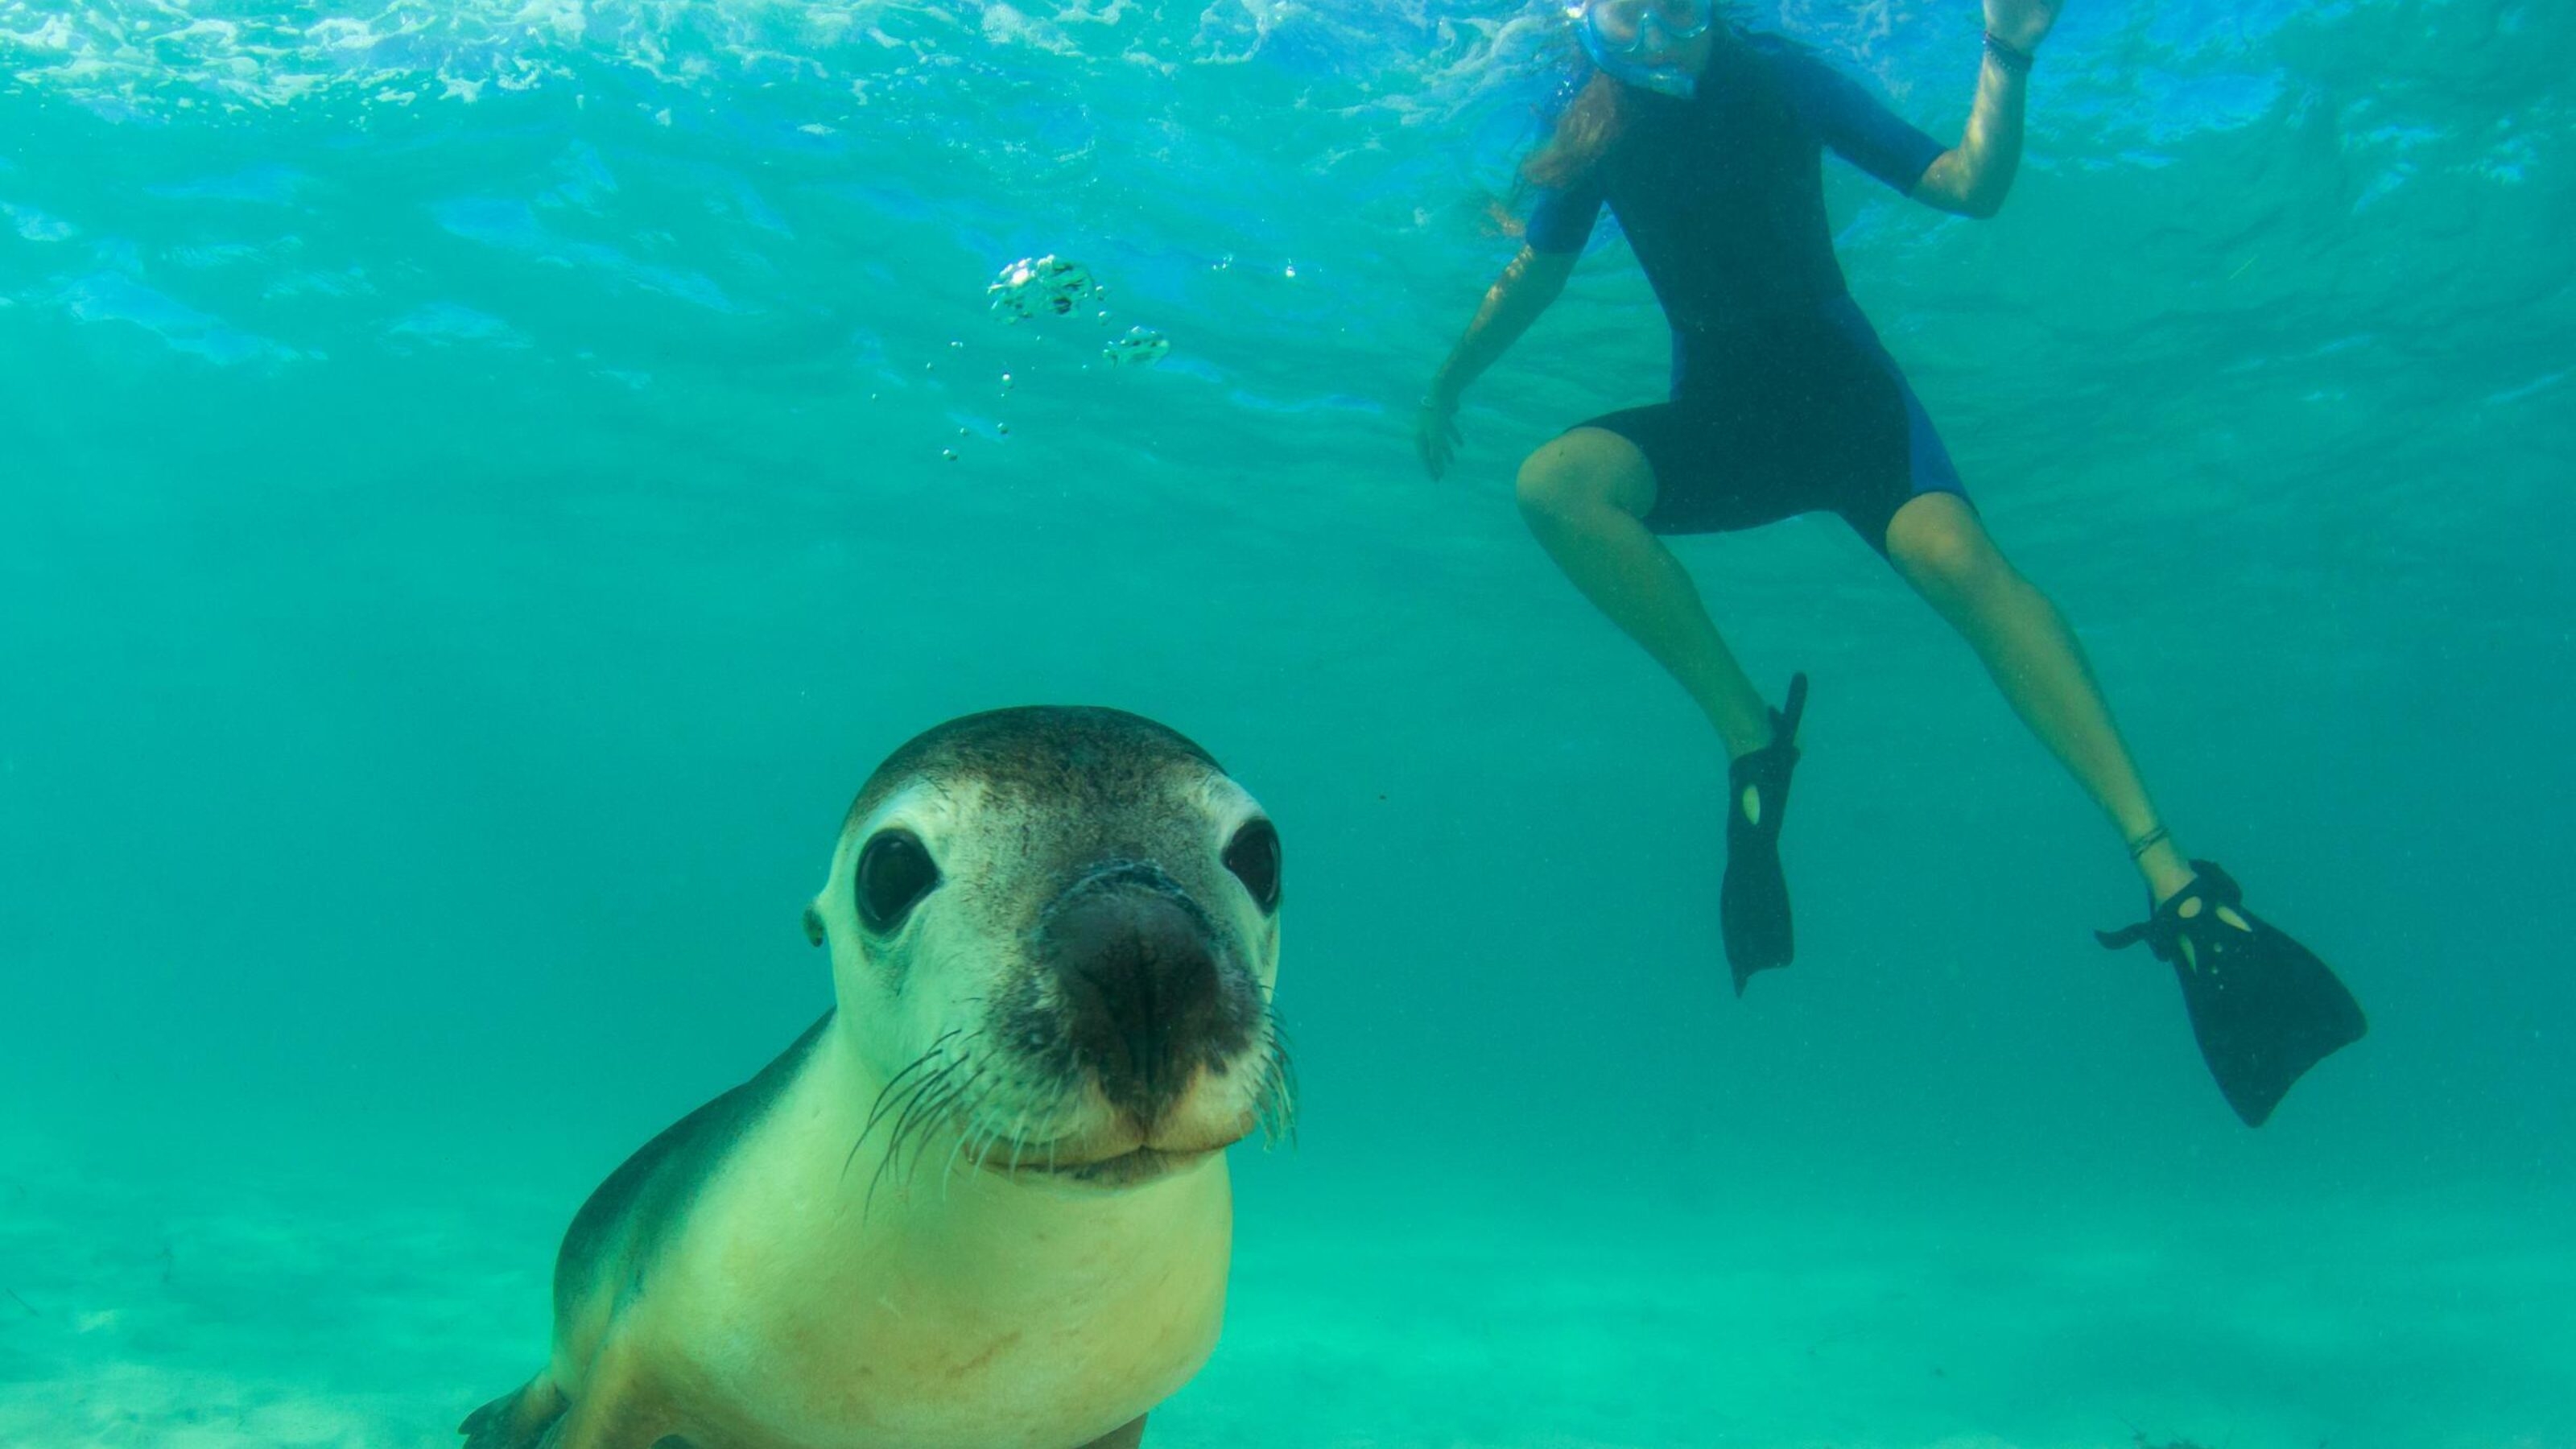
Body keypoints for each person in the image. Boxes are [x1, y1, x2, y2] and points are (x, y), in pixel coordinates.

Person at [1414, 0, 2363, 1126]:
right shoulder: (1594, 122)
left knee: (1958, 563)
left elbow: (1968, 184)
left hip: (1846, 402)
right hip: (1731, 419)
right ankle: (1750, 741)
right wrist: (1448, 383)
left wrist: (2004, 55)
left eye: (1681, 9)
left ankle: (2171, 878)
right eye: (1634, 14)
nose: (1664, 35)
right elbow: (1532, 275)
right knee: (1555, 486)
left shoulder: (1774, 76)